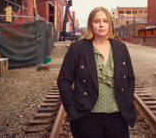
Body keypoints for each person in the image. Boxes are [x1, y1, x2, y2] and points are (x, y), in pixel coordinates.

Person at [57, 7, 136, 138]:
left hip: (118, 116)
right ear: (90, 24)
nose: (101, 25)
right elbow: (64, 80)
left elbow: (130, 78)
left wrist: (128, 100)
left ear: (110, 24)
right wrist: (70, 106)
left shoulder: (121, 48)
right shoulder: (77, 48)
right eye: (97, 21)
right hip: (86, 116)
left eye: (105, 21)